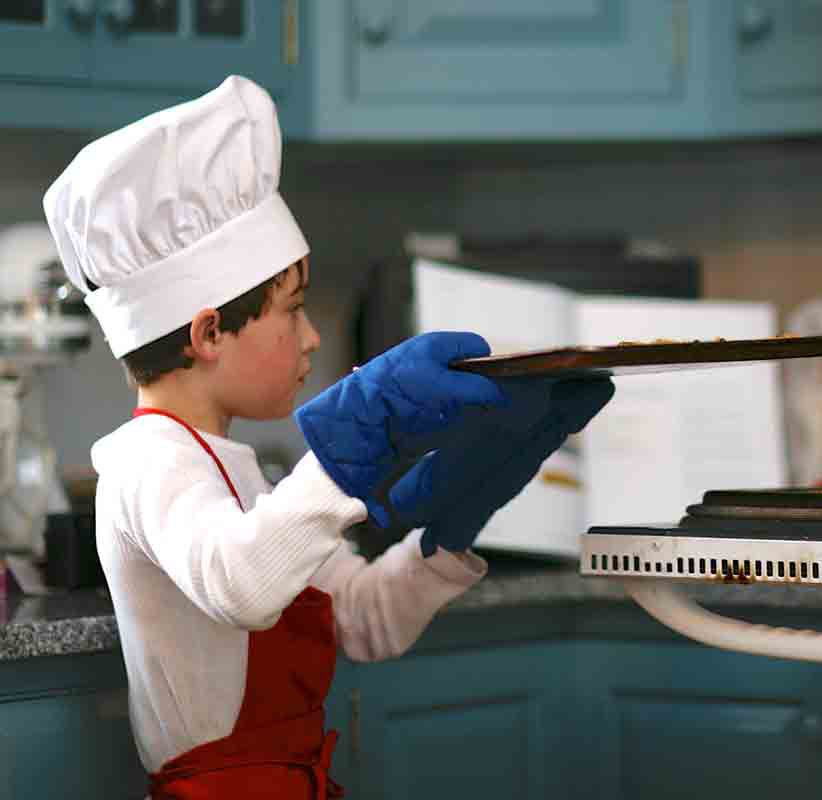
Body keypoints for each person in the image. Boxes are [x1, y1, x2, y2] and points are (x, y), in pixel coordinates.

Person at [42, 75, 613, 799]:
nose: (311, 338)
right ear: (210, 331)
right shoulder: (145, 462)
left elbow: (366, 621)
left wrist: (460, 510)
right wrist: (358, 426)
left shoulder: (243, 476)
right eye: (294, 309)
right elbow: (240, 585)